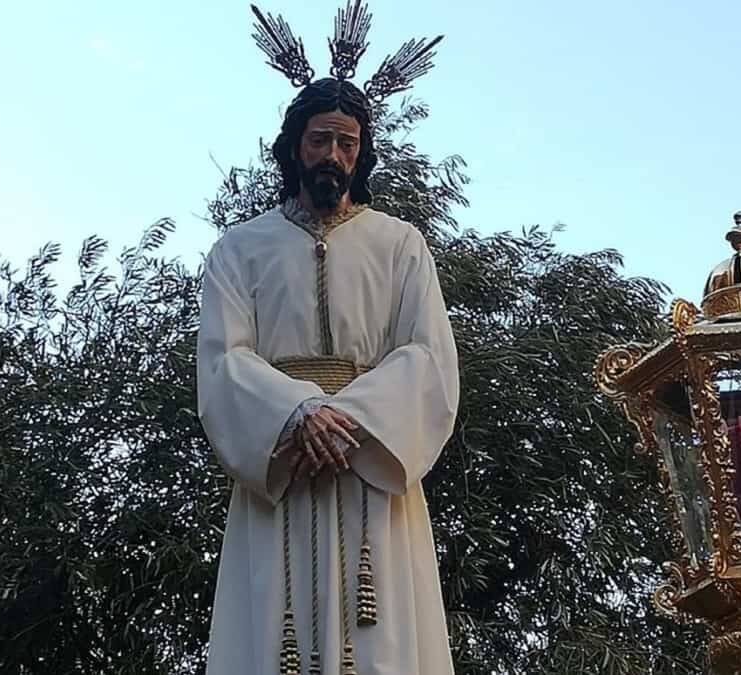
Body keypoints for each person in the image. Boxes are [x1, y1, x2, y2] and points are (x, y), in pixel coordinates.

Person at [196, 4, 458, 674]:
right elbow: (224, 358)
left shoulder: (401, 244)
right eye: (319, 140)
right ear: (293, 146)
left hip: (368, 461)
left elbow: (428, 356)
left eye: (347, 142)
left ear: (362, 151)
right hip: (281, 463)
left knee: (382, 645)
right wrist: (297, 411)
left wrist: (351, 418)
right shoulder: (240, 248)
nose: (333, 156)